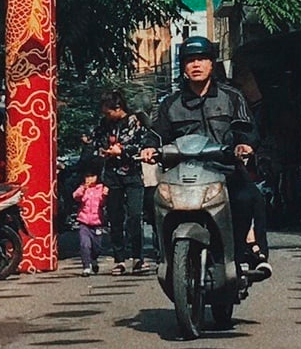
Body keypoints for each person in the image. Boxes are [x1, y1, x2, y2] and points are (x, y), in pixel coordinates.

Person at [152, 36, 269, 279]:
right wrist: (148, 147)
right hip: (182, 174)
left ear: (212, 64)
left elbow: (247, 129)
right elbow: (156, 133)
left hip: (224, 170)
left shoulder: (231, 96)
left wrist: (244, 145)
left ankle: (248, 254)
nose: (196, 65)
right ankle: (164, 258)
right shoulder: (170, 104)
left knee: (249, 197)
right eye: (190, 60)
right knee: (150, 202)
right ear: (183, 67)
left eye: (201, 59)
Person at [94, 91, 153, 275]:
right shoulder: (104, 124)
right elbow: (96, 141)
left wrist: (122, 151)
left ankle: (138, 258)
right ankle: (119, 259)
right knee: (115, 218)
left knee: (135, 216)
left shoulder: (134, 121)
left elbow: (141, 143)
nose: (107, 116)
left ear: (118, 108)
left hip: (132, 174)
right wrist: (104, 150)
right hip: (112, 176)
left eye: (108, 111)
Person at [72, 162, 109, 274]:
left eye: (92, 176)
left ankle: (94, 259)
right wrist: (83, 188)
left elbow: (103, 203)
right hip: (84, 222)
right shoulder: (83, 188)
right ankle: (86, 266)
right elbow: (75, 196)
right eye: (87, 176)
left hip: (97, 222)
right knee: (85, 244)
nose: (89, 179)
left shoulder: (101, 188)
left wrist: (105, 195)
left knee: (97, 247)